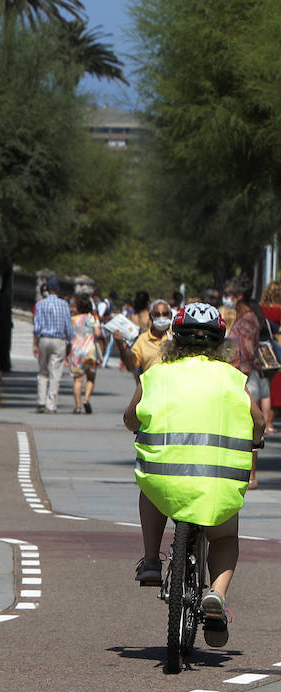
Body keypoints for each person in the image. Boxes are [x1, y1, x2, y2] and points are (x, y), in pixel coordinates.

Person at [124, 302, 263, 647]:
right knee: (225, 537)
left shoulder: (156, 374)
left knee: (151, 490)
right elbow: (258, 421)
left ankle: (153, 561)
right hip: (219, 482)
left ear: (174, 338)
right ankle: (216, 592)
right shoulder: (233, 379)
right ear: (221, 343)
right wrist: (255, 439)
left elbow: (131, 418)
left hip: (164, 479)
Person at [224, 277, 265, 489]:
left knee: (250, 424)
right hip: (239, 375)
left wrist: (235, 366)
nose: (228, 298)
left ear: (239, 296)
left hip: (245, 376)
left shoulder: (248, 319)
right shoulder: (244, 317)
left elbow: (247, 350)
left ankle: (252, 475)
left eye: (230, 294)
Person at [32, 276, 74, 414]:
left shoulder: (40, 304)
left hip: (44, 338)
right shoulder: (64, 304)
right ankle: (51, 405)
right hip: (59, 340)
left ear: (47, 290)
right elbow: (68, 326)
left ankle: (41, 402)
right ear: (57, 289)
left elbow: (36, 326)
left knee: (43, 372)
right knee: (55, 373)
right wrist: (69, 343)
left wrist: (35, 344)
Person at [114, 299, 172, 375]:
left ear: (170, 315)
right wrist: (121, 347)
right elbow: (130, 366)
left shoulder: (177, 335)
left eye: (165, 314)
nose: (161, 317)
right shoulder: (142, 340)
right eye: (157, 314)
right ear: (151, 317)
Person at [68, 293, 104, 414]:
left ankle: (78, 407)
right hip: (90, 352)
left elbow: (68, 335)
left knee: (78, 380)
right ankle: (86, 399)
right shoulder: (92, 319)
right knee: (91, 378)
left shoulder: (73, 320)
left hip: (76, 353)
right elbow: (98, 334)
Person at [259, 280, 281, 435]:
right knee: (273, 389)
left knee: (262, 385)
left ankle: (260, 420)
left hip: (260, 351)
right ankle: (270, 422)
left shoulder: (261, 309)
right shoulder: (280, 311)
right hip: (274, 352)